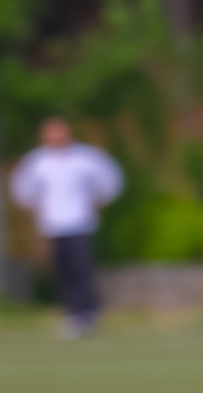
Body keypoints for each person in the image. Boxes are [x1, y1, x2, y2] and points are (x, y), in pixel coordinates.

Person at [9, 116, 124, 336]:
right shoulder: (37, 161)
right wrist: (34, 206)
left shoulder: (86, 157)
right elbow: (22, 188)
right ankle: (71, 314)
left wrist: (99, 201)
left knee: (82, 270)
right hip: (52, 225)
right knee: (62, 272)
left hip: (80, 222)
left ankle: (88, 314)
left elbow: (111, 179)